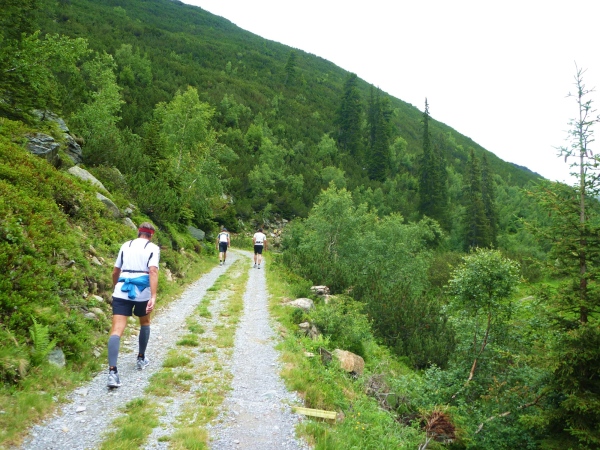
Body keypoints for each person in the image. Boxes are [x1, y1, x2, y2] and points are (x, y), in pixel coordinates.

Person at [107, 222, 160, 388]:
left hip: (122, 289)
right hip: (142, 291)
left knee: (116, 330)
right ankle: (141, 357)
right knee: (145, 322)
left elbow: (115, 271)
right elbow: (153, 271)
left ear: (138, 232)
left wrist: (116, 287)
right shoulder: (153, 248)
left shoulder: (126, 245)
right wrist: (153, 295)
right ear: (151, 235)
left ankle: (112, 373)